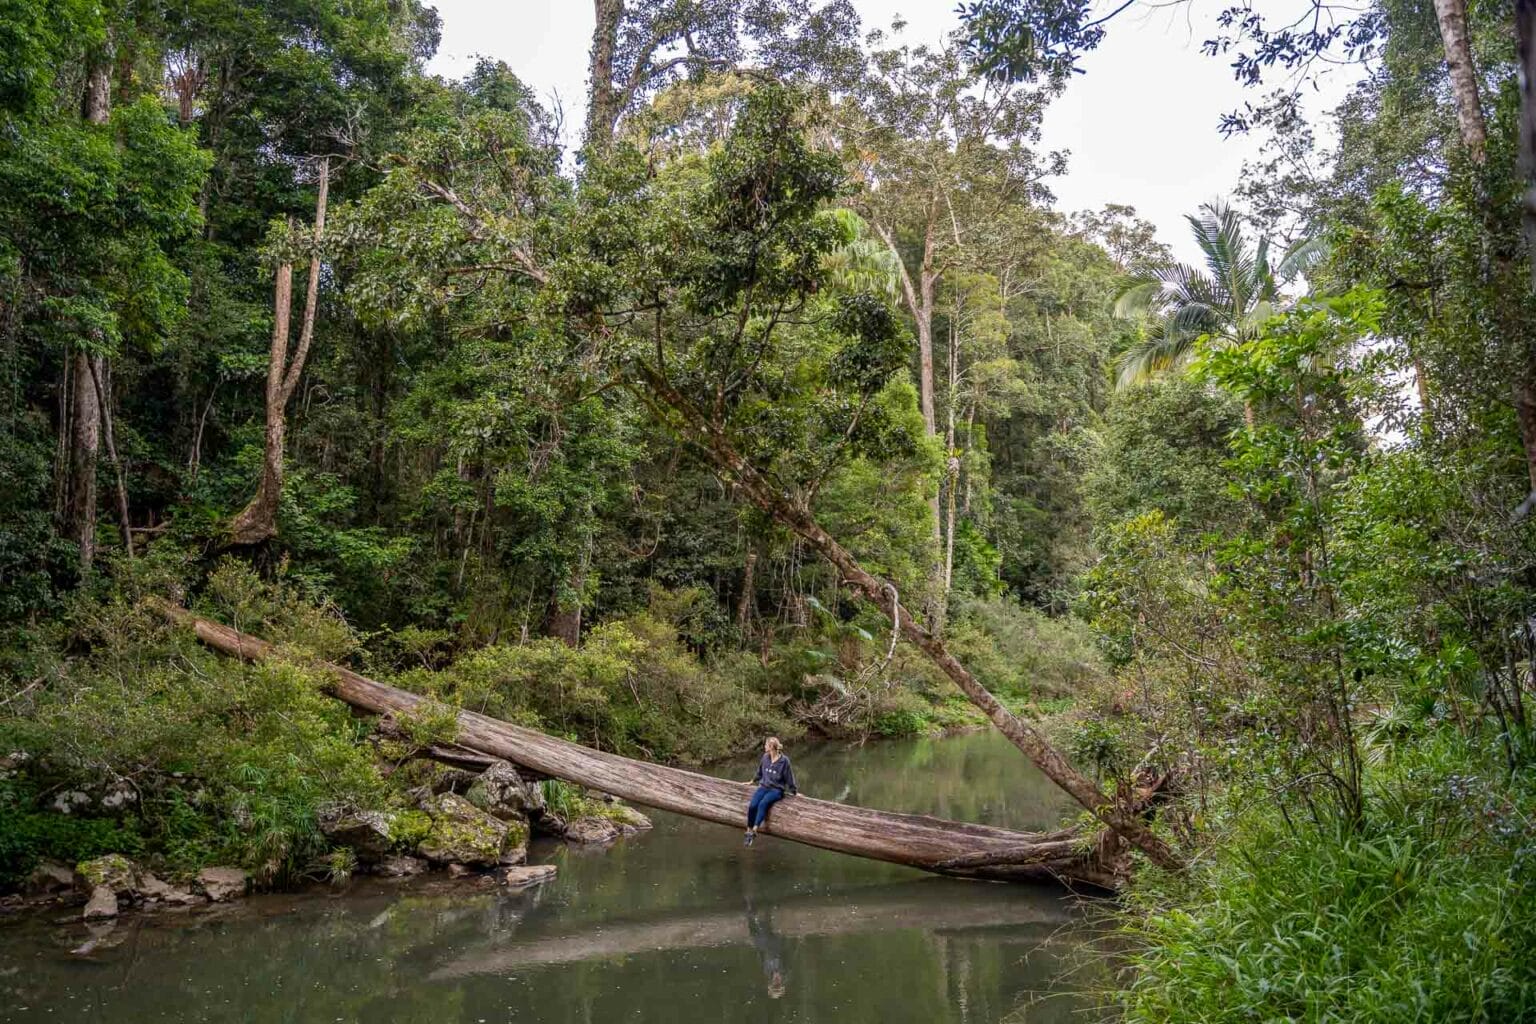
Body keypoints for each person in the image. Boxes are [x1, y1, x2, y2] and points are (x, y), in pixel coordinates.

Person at [744, 736, 796, 846]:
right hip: (764, 787)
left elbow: (789, 777)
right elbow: (759, 772)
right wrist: (752, 781)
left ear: (771, 747)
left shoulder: (784, 761)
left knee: (763, 803)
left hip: (776, 790)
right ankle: (748, 830)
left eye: (766, 745)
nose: (764, 747)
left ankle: (754, 830)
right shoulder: (765, 757)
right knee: (753, 805)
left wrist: (794, 791)